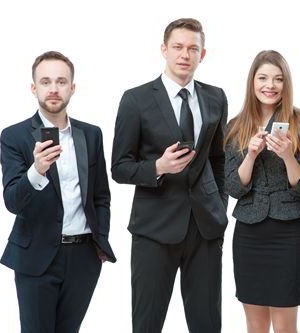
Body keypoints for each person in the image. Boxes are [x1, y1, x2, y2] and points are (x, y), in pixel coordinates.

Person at [111, 18, 228, 333]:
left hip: (205, 229)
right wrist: (158, 168)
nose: (184, 54)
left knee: (207, 324)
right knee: (147, 324)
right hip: (154, 230)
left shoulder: (216, 97)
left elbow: (218, 159)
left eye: (193, 48)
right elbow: (119, 167)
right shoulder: (135, 99)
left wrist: (220, 207)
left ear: (202, 54)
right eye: (177, 47)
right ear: (164, 49)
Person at [0, 51, 116, 333]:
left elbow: (101, 195)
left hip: (83, 258)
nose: (53, 88)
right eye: (46, 81)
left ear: (72, 88)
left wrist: (100, 240)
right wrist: (36, 170)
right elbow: (12, 201)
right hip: (36, 256)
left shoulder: (91, 134)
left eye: (61, 81)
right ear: (34, 87)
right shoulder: (14, 136)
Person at [224, 50, 300, 333]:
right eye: (263, 78)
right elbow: (233, 188)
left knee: (286, 327)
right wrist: (250, 155)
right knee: (256, 325)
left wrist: (288, 155)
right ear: (252, 82)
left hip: (289, 235)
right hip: (249, 235)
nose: (270, 85)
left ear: (286, 84)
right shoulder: (235, 127)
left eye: (278, 79)